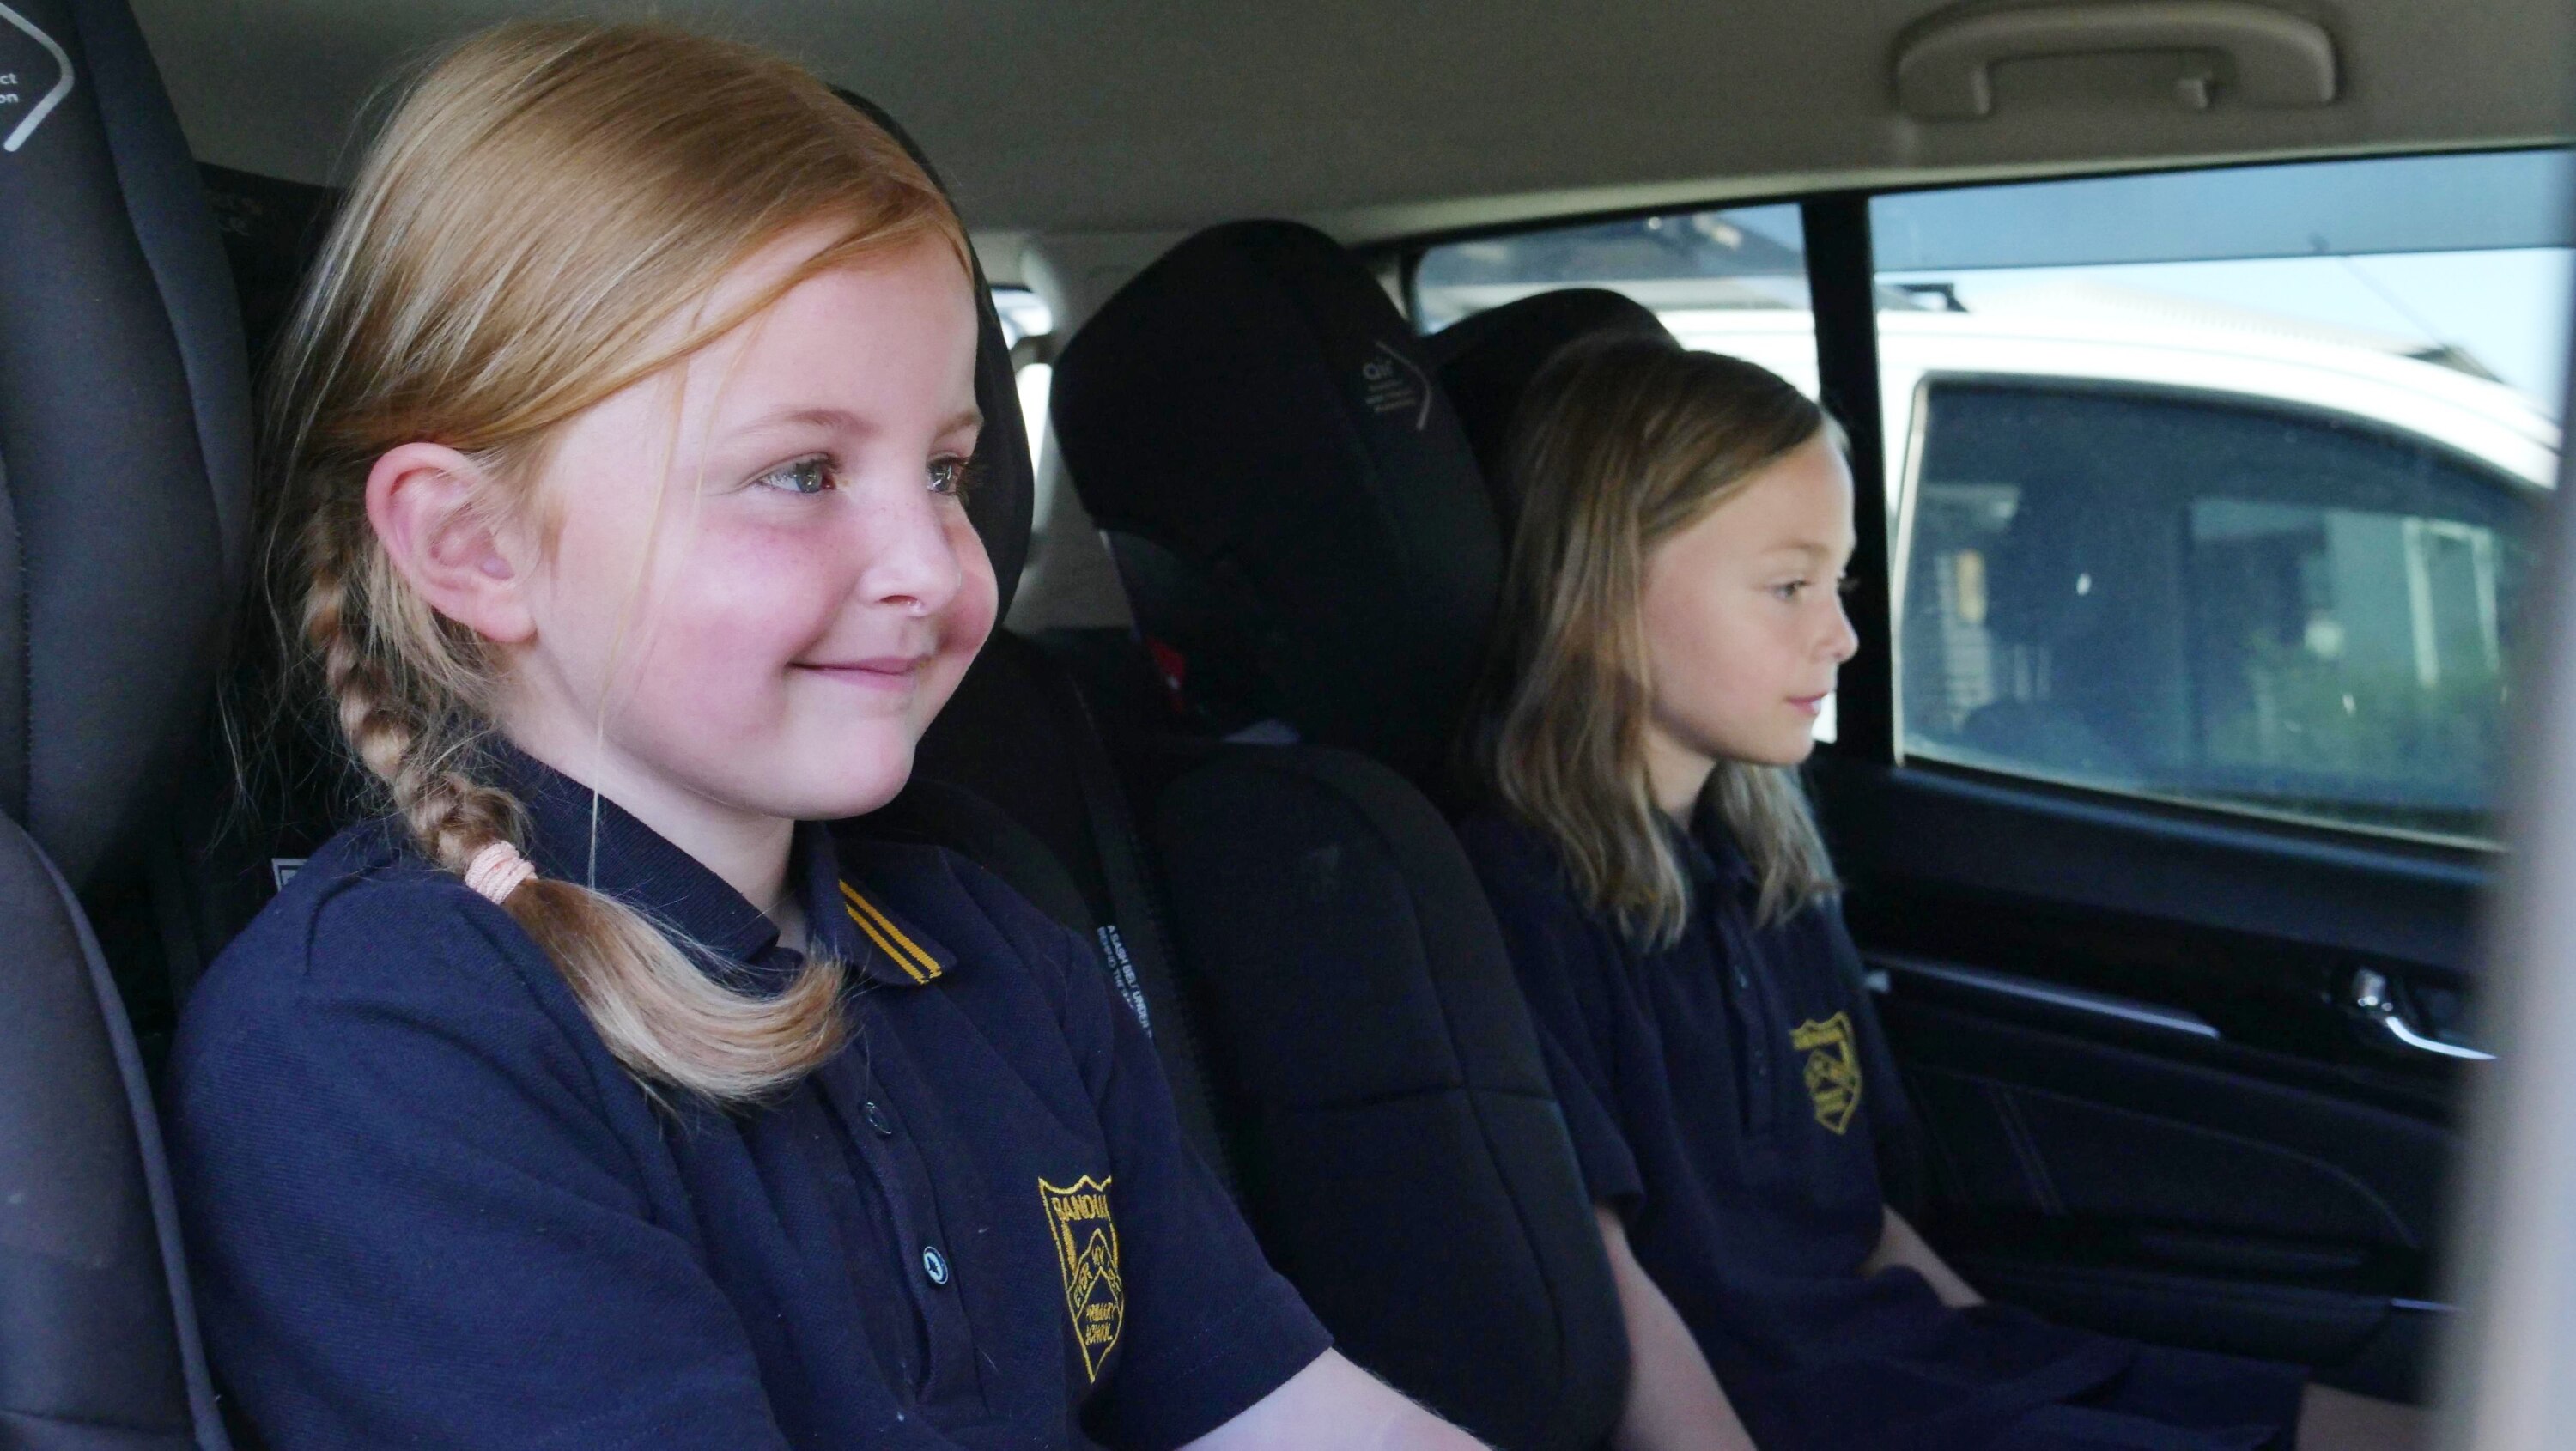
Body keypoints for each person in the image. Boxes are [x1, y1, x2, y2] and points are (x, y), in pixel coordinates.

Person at [166, 24, 1483, 1451]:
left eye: (945, 469)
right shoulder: (384, 1043)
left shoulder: (990, 951)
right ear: (473, 545)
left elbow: (1275, 1408)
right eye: (800, 473)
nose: (931, 558)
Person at [1453, 337, 2422, 1451]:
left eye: (1840, 583)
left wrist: (2020, 1360)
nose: (1843, 634)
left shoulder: (1768, 869)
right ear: (1604, 588)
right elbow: (1602, 1285)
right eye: (1788, 586)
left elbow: (1859, 1229)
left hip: (1921, 1366)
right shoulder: (1524, 896)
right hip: (1801, 1411)